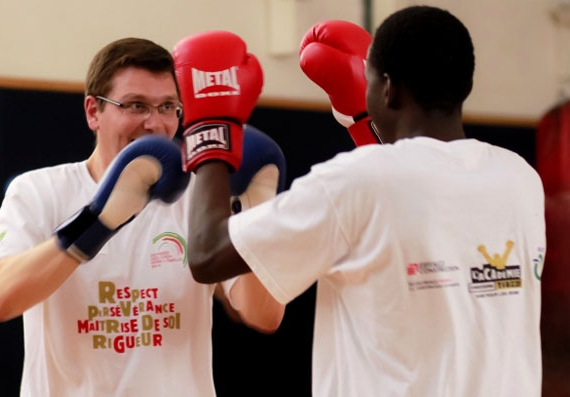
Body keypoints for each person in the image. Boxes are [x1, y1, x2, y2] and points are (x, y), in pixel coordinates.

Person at [184, 6, 546, 397]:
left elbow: (208, 254)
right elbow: (413, 192)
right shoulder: (520, 177)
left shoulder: (354, 181)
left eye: (369, 77)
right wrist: (370, 125)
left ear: (388, 89)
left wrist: (211, 130)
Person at [0, 37, 284, 396]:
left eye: (168, 106)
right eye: (136, 105)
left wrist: (254, 214)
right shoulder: (39, 190)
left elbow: (264, 315)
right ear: (93, 112)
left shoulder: (200, 197)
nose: (154, 123)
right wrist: (96, 222)